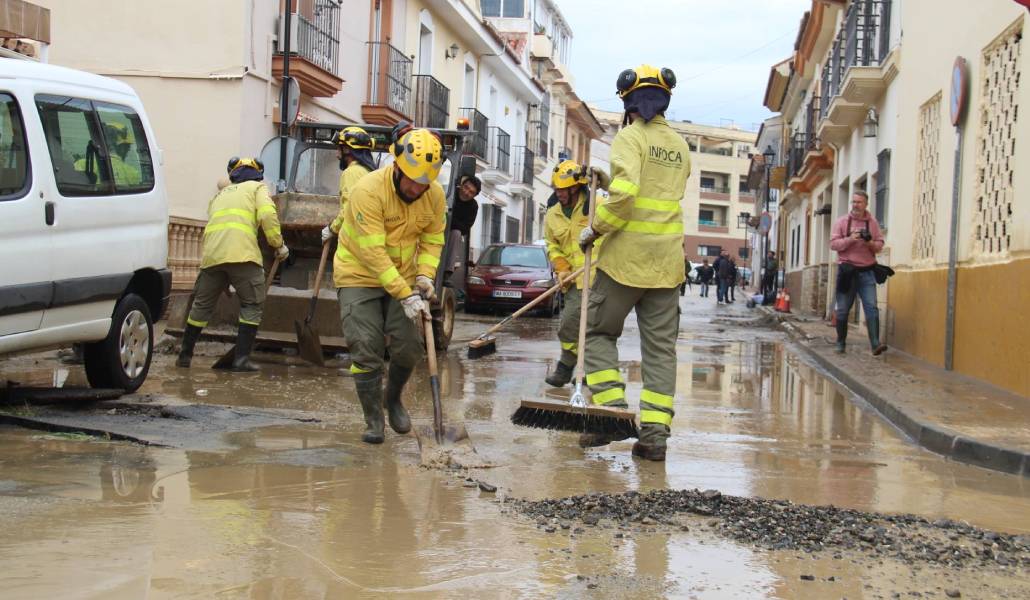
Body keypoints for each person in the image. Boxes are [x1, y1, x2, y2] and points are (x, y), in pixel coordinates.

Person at [576, 64, 691, 462]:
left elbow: (626, 200)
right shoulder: (679, 145)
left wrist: (595, 228)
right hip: (667, 264)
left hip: (625, 261)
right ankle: (654, 438)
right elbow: (651, 190)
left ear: (627, 101)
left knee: (595, 334)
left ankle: (610, 417)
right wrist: (606, 181)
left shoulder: (629, 137)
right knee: (660, 352)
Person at [334, 129, 446, 444]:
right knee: (365, 347)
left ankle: (392, 398)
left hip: (406, 277)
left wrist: (425, 274)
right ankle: (373, 419)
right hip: (358, 273)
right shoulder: (367, 190)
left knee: (410, 347)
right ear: (396, 165)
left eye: (423, 183)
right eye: (411, 179)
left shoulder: (434, 195)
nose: (415, 188)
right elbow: (373, 253)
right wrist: (404, 294)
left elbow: (433, 238)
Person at [177, 157, 288, 371]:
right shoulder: (257, 188)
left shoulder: (219, 195)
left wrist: (225, 275)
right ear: (257, 173)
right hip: (243, 255)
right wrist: (278, 244)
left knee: (201, 306)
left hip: (212, 258)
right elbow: (267, 214)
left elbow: (214, 225)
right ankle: (241, 359)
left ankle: (184, 356)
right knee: (252, 304)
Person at [542, 159, 605, 388]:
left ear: (576, 187)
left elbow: (615, 227)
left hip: (597, 277)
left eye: (563, 189)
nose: (559, 193)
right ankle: (569, 364)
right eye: (556, 189)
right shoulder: (553, 215)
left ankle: (585, 369)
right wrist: (561, 267)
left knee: (595, 328)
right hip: (570, 280)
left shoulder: (595, 206)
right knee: (568, 326)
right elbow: (552, 244)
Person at [830, 190, 887, 355]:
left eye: (859, 202)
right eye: (853, 202)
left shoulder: (873, 223)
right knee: (843, 309)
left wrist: (869, 241)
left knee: (871, 307)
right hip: (847, 271)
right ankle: (840, 342)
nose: (855, 205)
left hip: (867, 271)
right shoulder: (841, 222)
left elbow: (879, 246)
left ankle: (875, 343)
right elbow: (833, 244)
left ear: (865, 204)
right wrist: (850, 239)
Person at [321, 126, 377, 244]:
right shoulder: (368, 172)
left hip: (356, 242)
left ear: (346, 149)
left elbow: (349, 208)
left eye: (339, 148)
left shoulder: (351, 172)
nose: (337, 154)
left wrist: (332, 228)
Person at [444, 175, 482, 285]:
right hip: (436, 226)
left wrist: (450, 219)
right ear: (461, 185)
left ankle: (447, 272)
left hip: (451, 233)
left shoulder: (473, 206)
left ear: (474, 195)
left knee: (456, 233)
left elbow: (465, 228)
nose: (466, 192)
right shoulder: (449, 192)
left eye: (471, 192)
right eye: (466, 187)